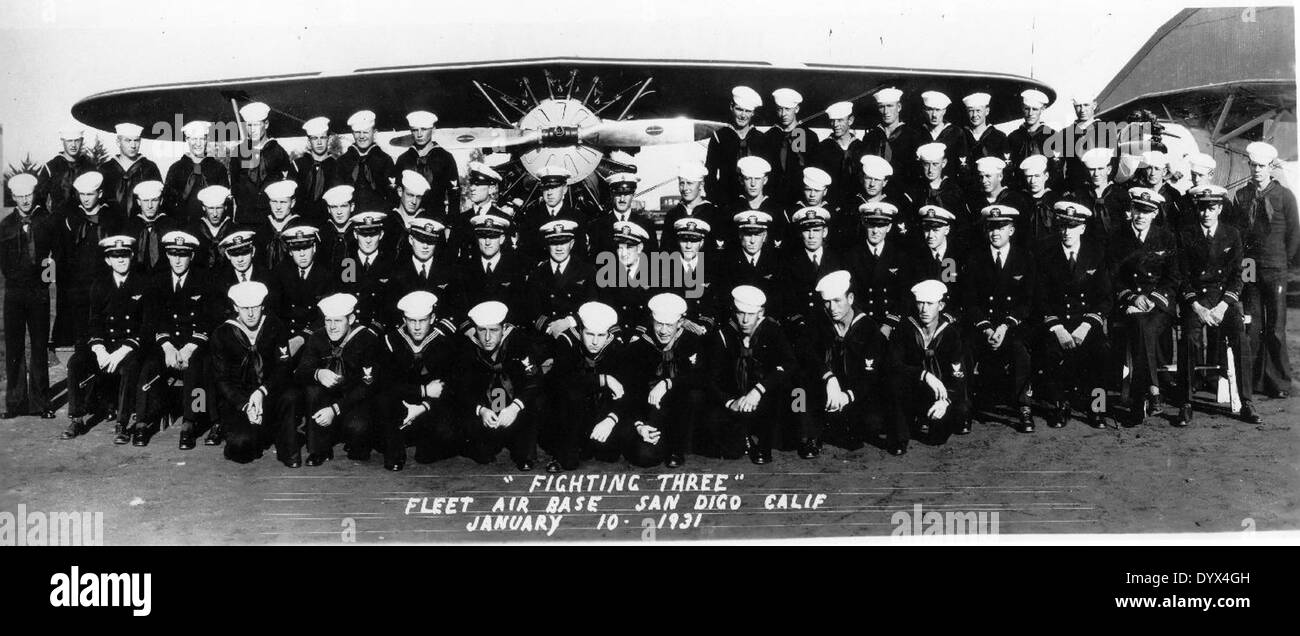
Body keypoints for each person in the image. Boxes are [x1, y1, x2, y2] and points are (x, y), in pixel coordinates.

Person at [1176, 185, 1259, 425]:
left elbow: (1238, 276)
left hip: (1223, 300)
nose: (1206, 213)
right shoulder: (1185, 234)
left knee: (1240, 338)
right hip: (1197, 301)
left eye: (1211, 208)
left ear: (1220, 208)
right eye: (1202, 208)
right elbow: (1181, 276)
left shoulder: (1232, 234)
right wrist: (1198, 307)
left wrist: (1223, 306)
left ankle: (1246, 402)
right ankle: (1185, 401)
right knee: (1189, 339)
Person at [1033, 201, 1111, 429]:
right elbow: (1040, 298)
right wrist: (1058, 329)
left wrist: (1087, 326)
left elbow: (1105, 297)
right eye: (1063, 226)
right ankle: (1060, 405)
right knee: (1051, 351)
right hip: (1057, 323)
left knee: (1102, 351)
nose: (1067, 232)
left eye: (1072, 226)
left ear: (1082, 229)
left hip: (1085, 322)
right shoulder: (1046, 254)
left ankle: (1098, 408)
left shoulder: (1096, 253)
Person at [1107, 187, 1181, 426]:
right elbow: (1113, 277)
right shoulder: (1117, 237)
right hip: (1130, 304)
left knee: (1144, 327)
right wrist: (1131, 298)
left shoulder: (1166, 237)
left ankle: (1144, 394)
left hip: (1159, 304)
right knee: (1140, 325)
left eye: (1146, 211)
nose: (1140, 216)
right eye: (1137, 209)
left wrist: (1152, 299)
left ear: (1155, 213)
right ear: (1131, 210)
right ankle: (1151, 391)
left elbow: (1173, 278)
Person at [133, 231, 213, 448]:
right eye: (173, 254)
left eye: (183, 254)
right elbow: (153, 319)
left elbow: (209, 319)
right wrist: (167, 346)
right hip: (166, 344)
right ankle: (142, 421)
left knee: (196, 369)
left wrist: (189, 347)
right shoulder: (157, 282)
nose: (178, 260)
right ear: (167, 255)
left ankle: (191, 421)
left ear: (192, 256)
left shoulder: (204, 280)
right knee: (149, 368)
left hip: (194, 344)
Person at [793, 270, 885, 458]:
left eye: (837, 301)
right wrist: (828, 377)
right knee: (799, 384)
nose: (832, 307)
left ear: (850, 298)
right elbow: (807, 354)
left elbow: (871, 375)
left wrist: (847, 395)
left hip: (853, 394)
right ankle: (809, 436)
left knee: (869, 426)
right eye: (827, 302)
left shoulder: (868, 327)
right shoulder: (817, 322)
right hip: (824, 390)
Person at [62, 236, 146, 440]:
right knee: (76, 363)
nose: (121, 260)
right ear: (108, 260)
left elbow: (145, 326)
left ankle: (122, 423)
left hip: (129, 347)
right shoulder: (99, 285)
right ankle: (77, 418)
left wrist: (121, 352)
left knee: (130, 367)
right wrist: (99, 350)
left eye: (125, 255)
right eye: (115, 257)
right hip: (105, 346)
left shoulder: (142, 284)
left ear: (132, 256)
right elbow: (94, 322)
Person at [962, 204, 1036, 432]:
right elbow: (969, 300)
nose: (995, 232)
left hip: (1012, 326)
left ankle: (1024, 408)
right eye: (991, 228)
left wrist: (1006, 325)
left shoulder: (1025, 258)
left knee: (1019, 350)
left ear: (1011, 230)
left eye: (1001, 227)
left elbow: (1029, 301)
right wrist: (986, 328)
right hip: (982, 326)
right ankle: (964, 408)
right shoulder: (975, 259)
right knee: (964, 349)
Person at [1233, 141, 1298, 398]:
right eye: (1253, 165)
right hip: (1250, 267)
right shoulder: (1242, 195)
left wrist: (1284, 261)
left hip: (1276, 267)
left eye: (1262, 166)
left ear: (1271, 167)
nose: (1257, 170)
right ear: (1248, 165)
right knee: (1254, 324)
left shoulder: (1284, 196)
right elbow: (1237, 234)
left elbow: (1294, 233)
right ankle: (1255, 381)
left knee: (1276, 328)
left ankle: (1280, 382)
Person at [704, 285, 797, 464]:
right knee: (730, 451)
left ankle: (764, 442)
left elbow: (789, 365)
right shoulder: (723, 335)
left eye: (751, 314)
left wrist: (759, 390)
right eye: (740, 313)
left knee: (786, 437)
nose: (745, 320)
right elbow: (712, 378)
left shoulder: (772, 331)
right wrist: (730, 402)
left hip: (764, 397)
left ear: (760, 313)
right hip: (736, 401)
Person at [209, 281, 297, 465]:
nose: (250, 314)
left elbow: (283, 366)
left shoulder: (275, 325)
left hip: (269, 392)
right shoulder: (222, 333)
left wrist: (263, 391)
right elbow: (222, 379)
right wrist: (245, 405)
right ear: (235, 308)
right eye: (244, 308)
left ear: (262, 306)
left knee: (290, 396)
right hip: (240, 399)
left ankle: (288, 450)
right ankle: (256, 435)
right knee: (240, 447)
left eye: (255, 308)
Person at [292, 293, 383, 466]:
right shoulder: (317, 337)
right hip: (327, 398)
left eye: (338, 321)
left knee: (358, 432)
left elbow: (368, 386)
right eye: (328, 321)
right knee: (312, 390)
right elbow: (300, 372)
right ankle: (319, 449)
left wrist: (335, 410)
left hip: (355, 400)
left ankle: (354, 441)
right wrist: (318, 373)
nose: (332, 327)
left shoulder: (367, 339)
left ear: (351, 318)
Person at [376, 291, 461, 471]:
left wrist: (424, 405)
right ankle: (397, 451)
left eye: (422, 320)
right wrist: (423, 390)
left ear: (432, 318)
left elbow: (449, 384)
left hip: (431, 405)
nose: (416, 327)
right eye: (411, 321)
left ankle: (419, 437)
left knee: (435, 447)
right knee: (382, 409)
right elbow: (386, 384)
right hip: (402, 401)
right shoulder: (391, 341)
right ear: (404, 320)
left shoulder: (444, 342)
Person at [885, 280, 971, 454]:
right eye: (920, 303)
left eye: (930, 304)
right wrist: (923, 374)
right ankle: (901, 436)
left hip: (941, 393)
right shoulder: (904, 329)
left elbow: (958, 375)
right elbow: (893, 365)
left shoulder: (951, 333)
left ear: (941, 305)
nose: (924, 309)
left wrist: (945, 402)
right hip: (912, 390)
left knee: (938, 437)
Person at [622, 293, 708, 468]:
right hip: (652, 411)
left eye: (669, 325)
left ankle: (677, 448)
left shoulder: (692, 342)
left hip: (683, 412)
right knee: (644, 457)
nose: (663, 331)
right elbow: (632, 392)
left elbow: (701, 378)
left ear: (680, 322)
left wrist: (667, 383)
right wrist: (639, 425)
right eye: (659, 324)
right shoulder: (638, 348)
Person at [454, 300, 540, 471]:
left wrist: (515, 408)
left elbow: (534, 380)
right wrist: (481, 410)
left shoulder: (519, 341)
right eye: (481, 330)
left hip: (515, 404)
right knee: (483, 454)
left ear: (503, 328)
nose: (487, 338)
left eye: (493, 330)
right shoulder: (467, 346)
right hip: (487, 406)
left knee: (526, 456)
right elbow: (460, 387)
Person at [545, 301, 631, 471]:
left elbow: (626, 388)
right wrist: (603, 379)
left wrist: (610, 419)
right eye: (589, 334)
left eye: (601, 336)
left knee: (609, 454)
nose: (594, 341)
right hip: (571, 411)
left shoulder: (616, 346)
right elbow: (563, 381)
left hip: (601, 410)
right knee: (569, 462)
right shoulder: (567, 341)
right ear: (580, 330)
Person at [1, 173, 56, 419]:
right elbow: (3, 262)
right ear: (13, 197)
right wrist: (15, 280)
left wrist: (45, 282)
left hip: (39, 293)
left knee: (38, 346)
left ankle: (41, 403)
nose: (24, 200)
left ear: (34, 195)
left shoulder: (46, 221)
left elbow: (52, 255)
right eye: (20, 196)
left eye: (28, 195)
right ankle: (15, 403)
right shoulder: (5, 226)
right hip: (14, 293)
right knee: (14, 347)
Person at [53, 171, 126, 348]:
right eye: (82, 194)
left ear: (100, 194)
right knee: (80, 334)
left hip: (104, 283)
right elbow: (61, 253)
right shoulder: (71, 218)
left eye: (90, 194)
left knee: (105, 330)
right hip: (77, 286)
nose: (85, 199)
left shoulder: (112, 217)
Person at [523, 219, 597, 342]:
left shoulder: (587, 271)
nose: (559, 248)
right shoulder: (537, 273)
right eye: (554, 243)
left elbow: (592, 304)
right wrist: (551, 328)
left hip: (576, 336)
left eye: (563, 242)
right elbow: (531, 309)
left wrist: (569, 322)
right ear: (547, 245)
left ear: (572, 243)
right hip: (545, 336)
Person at [850, 202, 914, 336]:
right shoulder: (852, 255)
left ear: (889, 227)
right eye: (871, 225)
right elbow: (851, 295)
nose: (875, 231)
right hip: (861, 323)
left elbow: (905, 295)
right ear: (864, 223)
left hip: (893, 324)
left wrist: (889, 324)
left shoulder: (900, 255)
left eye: (881, 225)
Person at [229, 102, 296, 225]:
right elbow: (234, 185)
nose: (251, 130)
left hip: (271, 218)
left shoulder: (278, 152)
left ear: (266, 124)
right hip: (245, 217)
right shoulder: (238, 152)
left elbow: (286, 186)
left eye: (255, 125)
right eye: (248, 125)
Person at [705, 86, 769, 206]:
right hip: (726, 200)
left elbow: (768, 175)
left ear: (753, 113)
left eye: (748, 111)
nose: (743, 115)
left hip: (753, 202)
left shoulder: (761, 139)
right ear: (731, 107)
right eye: (739, 109)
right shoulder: (719, 137)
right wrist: (715, 200)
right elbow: (710, 174)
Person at [393, 110, 459, 218]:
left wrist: (450, 226)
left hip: (436, 219)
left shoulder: (445, 158)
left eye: (423, 129)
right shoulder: (403, 159)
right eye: (415, 130)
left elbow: (454, 195)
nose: (419, 134)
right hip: (408, 220)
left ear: (433, 130)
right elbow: (396, 193)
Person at [162, 120, 230, 223]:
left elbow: (226, 203)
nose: (198, 143)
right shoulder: (176, 169)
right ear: (187, 139)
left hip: (211, 228)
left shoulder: (218, 168)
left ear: (207, 139)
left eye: (202, 139)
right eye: (194, 139)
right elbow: (167, 203)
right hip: (182, 226)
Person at [764, 88, 821, 206]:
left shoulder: (808, 136)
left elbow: (814, 169)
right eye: (780, 109)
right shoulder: (769, 136)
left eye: (787, 109)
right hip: (773, 196)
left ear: (797, 109)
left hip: (800, 197)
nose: (783, 114)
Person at [596, 221, 655, 332]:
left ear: (640, 247)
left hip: (644, 336)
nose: (623, 253)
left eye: (629, 248)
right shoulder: (607, 274)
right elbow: (605, 309)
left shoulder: (654, 274)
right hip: (616, 336)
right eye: (620, 248)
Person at [862, 87, 925, 184]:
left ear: (899, 107)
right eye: (881, 107)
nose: (886, 111)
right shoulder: (870, 137)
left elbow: (917, 170)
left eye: (890, 106)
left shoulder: (912, 136)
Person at [813, 101, 868, 211]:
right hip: (831, 205)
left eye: (840, 120)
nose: (835, 125)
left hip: (857, 205)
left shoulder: (863, 148)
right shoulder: (822, 148)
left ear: (850, 120)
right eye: (832, 121)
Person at [99, 123, 162, 218]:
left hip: (140, 226)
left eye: (136, 140)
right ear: (118, 142)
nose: (133, 145)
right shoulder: (106, 169)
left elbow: (158, 200)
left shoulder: (149, 168)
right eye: (128, 140)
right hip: (111, 226)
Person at [588, 173, 659, 257]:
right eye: (618, 194)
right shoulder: (597, 226)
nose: (622, 199)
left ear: (633, 195)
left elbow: (654, 261)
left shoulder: (646, 225)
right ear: (611, 195)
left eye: (626, 194)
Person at [336, 110, 394, 210]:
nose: (361, 136)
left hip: (380, 215)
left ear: (374, 133)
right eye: (357, 132)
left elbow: (391, 195)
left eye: (366, 132)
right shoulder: (342, 162)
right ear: (353, 134)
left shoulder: (385, 160)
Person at [660, 161, 720, 255]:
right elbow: (665, 253)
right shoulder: (672, 215)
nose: (685, 188)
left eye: (690, 183)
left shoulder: (714, 214)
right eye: (681, 183)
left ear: (701, 184)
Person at [36, 125, 95, 215]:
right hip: (59, 222)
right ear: (62, 141)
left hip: (84, 222)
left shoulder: (89, 166)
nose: (73, 145)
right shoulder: (51, 167)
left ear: (82, 141)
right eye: (69, 141)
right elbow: (39, 199)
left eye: (77, 140)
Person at [122, 180, 177, 274]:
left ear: (161, 201)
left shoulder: (171, 226)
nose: (150, 206)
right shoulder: (129, 227)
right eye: (145, 201)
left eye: (154, 200)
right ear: (138, 202)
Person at [919, 91, 969, 179]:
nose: (934, 115)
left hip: (949, 186)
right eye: (930, 109)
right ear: (924, 111)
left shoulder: (956, 133)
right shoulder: (917, 133)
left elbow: (962, 164)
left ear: (944, 111)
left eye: (938, 110)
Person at [960, 93, 1009, 177]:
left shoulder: (999, 137)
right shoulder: (961, 136)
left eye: (978, 111)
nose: (974, 115)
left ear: (987, 111)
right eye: (971, 111)